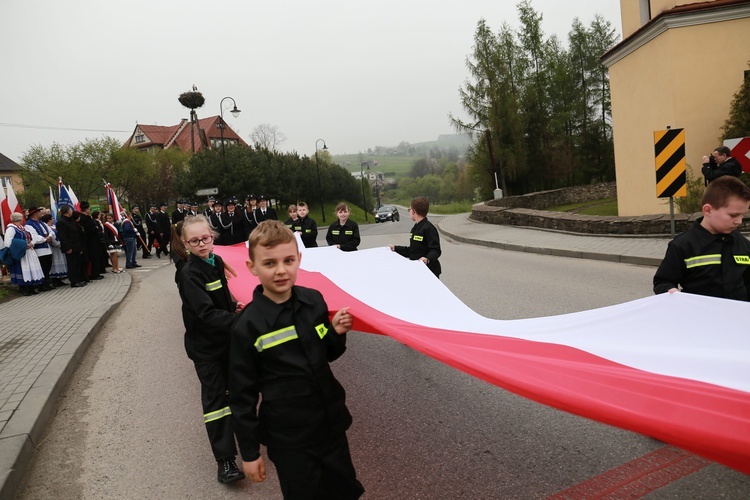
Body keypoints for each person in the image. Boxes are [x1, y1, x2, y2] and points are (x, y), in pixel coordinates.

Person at [229, 220, 364, 499]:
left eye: (288, 260)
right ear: (252, 267)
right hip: (289, 438)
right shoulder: (248, 327)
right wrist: (250, 453)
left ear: (299, 260)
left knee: (344, 491)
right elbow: (242, 396)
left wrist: (335, 333)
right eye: (269, 263)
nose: (281, 270)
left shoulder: (314, 302)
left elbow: (326, 354)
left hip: (329, 425)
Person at [176, 215, 246, 484]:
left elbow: (219, 298)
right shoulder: (189, 274)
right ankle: (225, 461)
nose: (202, 244)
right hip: (206, 349)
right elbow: (205, 313)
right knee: (216, 402)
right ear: (185, 243)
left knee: (236, 392)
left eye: (206, 238)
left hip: (226, 340)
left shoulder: (215, 262)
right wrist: (241, 321)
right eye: (194, 241)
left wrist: (233, 308)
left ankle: (249, 440)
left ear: (213, 236)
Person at [653, 176, 750, 299]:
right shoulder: (683, 245)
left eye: (743, 215)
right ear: (708, 210)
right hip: (698, 315)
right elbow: (662, 282)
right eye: (733, 215)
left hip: (737, 315)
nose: (739, 221)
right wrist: (671, 292)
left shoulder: (742, 244)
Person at [389, 196, 442, 278]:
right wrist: (395, 248)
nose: (409, 211)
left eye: (409, 209)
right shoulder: (416, 228)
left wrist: (427, 259)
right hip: (419, 270)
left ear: (413, 211)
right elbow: (413, 251)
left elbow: (436, 250)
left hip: (430, 271)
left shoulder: (429, 228)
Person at [4, 212, 45, 295]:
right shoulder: (11, 229)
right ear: (20, 219)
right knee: (22, 270)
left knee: (29, 269)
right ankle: (23, 288)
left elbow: (32, 237)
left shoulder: (22, 228)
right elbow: (8, 243)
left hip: (28, 252)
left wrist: (31, 243)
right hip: (20, 253)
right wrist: (23, 245)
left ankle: (31, 287)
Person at [56, 205, 88, 287]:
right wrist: (68, 248)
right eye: (70, 210)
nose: (72, 212)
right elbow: (62, 236)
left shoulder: (71, 220)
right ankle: (74, 281)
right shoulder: (61, 222)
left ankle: (79, 279)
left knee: (77, 264)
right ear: (67, 212)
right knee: (72, 265)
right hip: (70, 247)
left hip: (77, 245)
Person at [24, 206, 55, 291]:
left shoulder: (42, 222)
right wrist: (45, 239)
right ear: (34, 214)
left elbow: (51, 231)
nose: (40, 213)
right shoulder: (29, 224)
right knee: (43, 267)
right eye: (38, 212)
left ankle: (47, 283)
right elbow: (34, 237)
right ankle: (42, 284)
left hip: (47, 248)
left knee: (48, 266)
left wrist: (50, 236)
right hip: (40, 250)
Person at [78, 202, 105, 280]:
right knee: (93, 257)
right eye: (89, 209)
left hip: (94, 240)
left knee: (96, 257)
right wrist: (95, 229)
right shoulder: (82, 218)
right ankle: (93, 274)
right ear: (86, 209)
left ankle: (97, 272)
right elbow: (87, 229)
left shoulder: (88, 217)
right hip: (90, 241)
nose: (89, 210)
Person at [42, 213, 69, 286]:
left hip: (59, 247)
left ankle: (59, 279)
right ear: (49, 220)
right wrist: (57, 244)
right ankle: (54, 279)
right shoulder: (47, 227)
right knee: (55, 263)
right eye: (52, 218)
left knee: (60, 261)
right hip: (54, 248)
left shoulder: (54, 226)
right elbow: (52, 238)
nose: (53, 219)